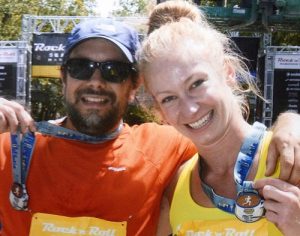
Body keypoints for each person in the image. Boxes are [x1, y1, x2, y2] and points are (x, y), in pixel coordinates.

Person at [0, 15, 299, 236]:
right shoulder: (9, 148)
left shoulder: (166, 149)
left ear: (132, 87)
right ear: (63, 77)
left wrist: (291, 122)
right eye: (81, 67)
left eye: (113, 70)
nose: (95, 81)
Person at [137, 1, 300, 235]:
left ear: (228, 72)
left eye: (197, 83)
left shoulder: (291, 159)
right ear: (160, 112)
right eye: (169, 98)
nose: (190, 109)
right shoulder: (176, 185)